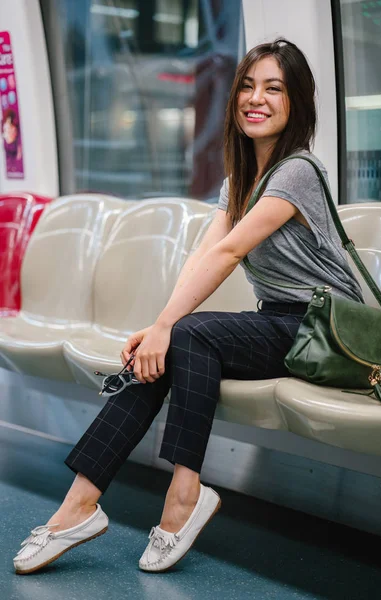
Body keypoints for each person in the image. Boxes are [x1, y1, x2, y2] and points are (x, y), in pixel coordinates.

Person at [13, 38, 363, 575]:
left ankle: (182, 494)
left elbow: (227, 253)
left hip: (326, 330)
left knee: (187, 334)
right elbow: (202, 254)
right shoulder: (239, 182)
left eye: (274, 88)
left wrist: (166, 327)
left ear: (298, 103)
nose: (256, 98)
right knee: (173, 341)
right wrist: (156, 327)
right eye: (247, 85)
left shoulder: (298, 170)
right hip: (281, 321)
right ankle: (78, 505)